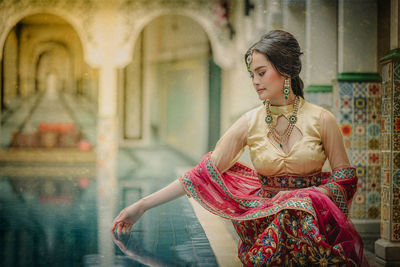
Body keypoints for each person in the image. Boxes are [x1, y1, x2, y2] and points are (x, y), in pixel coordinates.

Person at [112, 30, 366, 266]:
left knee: (297, 216)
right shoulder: (250, 122)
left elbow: (345, 179)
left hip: (313, 227)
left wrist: (308, 197)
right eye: (252, 75)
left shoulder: (322, 119)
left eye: (261, 72)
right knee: (284, 222)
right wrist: (142, 205)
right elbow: (202, 174)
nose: (255, 81)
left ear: (285, 70)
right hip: (265, 227)